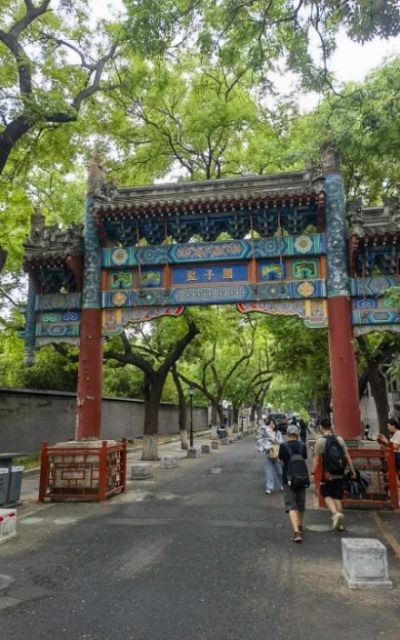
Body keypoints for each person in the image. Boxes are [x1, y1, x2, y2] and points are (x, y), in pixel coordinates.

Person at [312, 418, 356, 531]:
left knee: (326, 494)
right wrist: (352, 471)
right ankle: (340, 524)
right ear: (331, 426)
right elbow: (347, 456)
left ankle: (336, 514)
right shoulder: (339, 439)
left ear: (321, 427)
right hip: (340, 472)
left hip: (327, 474)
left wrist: (313, 473)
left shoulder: (320, 441)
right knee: (337, 496)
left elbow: (316, 459)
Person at [278, 424, 308, 543]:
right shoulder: (302, 445)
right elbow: (304, 459)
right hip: (302, 478)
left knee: (291, 505)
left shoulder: (283, 446)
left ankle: (296, 532)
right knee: (300, 505)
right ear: (297, 434)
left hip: (288, 478)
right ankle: (300, 526)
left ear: (288, 434)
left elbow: (280, 459)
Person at [256, 416, 283, 494]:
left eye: (273, 424)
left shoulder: (278, 433)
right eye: (270, 424)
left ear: (275, 425)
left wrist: (275, 440)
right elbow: (260, 442)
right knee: (269, 471)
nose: (271, 425)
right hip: (268, 454)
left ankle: (282, 484)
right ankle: (269, 487)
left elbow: (282, 442)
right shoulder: (264, 433)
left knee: (280, 471)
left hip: (278, 454)